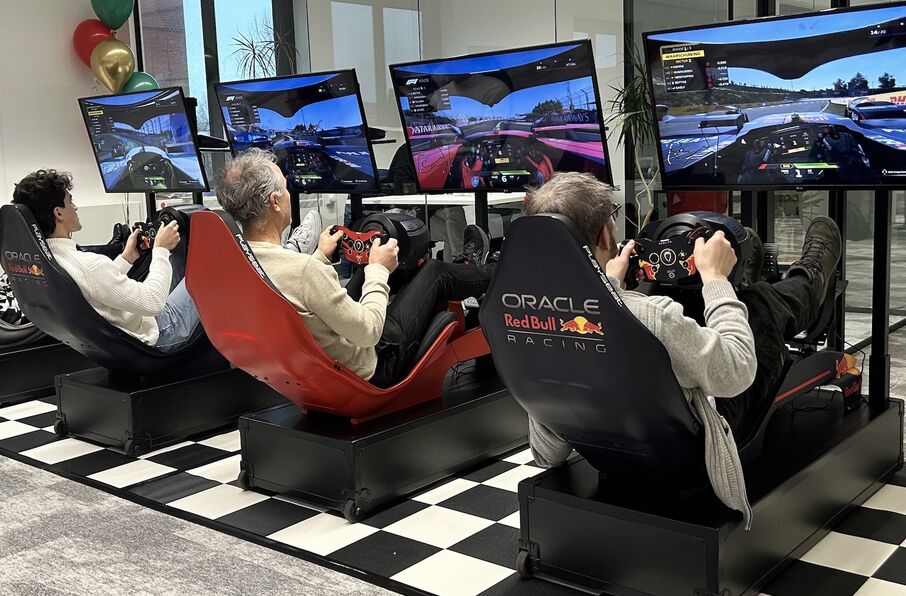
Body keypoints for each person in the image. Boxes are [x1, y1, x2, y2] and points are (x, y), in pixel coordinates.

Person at [523, 172, 841, 527]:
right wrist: (716, 281)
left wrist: (610, 285)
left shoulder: (525, 318)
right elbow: (736, 371)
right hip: (694, 451)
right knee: (760, 304)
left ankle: (748, 278)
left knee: (672, 299)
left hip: (610, 444)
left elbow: (549, 452)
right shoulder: (651, 316)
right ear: (604, 236)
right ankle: (810, 281)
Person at [215, 148, 494, 388]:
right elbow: (368, 332)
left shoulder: (237, 263)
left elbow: (292, 290)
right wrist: (378, 269)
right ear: (274, 202)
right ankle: (493, 271)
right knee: (434, 271)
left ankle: (463, 271)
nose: (289, 194)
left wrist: (321, 257)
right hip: (370, 366)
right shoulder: (302, 271)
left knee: (381, 268)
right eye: (286, 189)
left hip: (307, 370)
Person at [11, 169, 200, 352]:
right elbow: (153, 302)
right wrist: (161, 249)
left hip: (120, 342)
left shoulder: (49, 261)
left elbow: (95, 287)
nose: (75, 207)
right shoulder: (88, 265)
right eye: (70, 201)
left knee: (180, 259)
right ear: (58, 213)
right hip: (160, 331)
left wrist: (127, 258)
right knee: (207, 265)